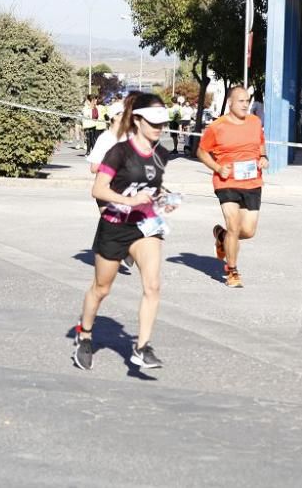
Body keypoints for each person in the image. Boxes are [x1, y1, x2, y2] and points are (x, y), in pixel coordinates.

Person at [73, 93, 177, 372]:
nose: (159, 128)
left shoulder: (161, 154)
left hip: (145, 226)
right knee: (101, 288)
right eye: (153, 122)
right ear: (138, 120)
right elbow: (98, 189)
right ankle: (84, 333)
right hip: (114, 226)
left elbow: (153, 188)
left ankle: (142, 347)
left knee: (153, 285)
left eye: (162, 123)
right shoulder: (118, 152)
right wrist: (130, 200)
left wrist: (165, 199)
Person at [196, 86, 267, 288]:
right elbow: (201, 152)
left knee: (248, 231)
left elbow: (260, 144)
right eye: (241, 101)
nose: (245, 105)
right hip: (226, 182)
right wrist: (218, 167)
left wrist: (263, 157)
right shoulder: (217, 127)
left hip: (252, 182)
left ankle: (222, 236)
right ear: (230, 102)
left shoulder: (255, 122)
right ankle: (233, 272)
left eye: (247, 101)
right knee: (234, 225)